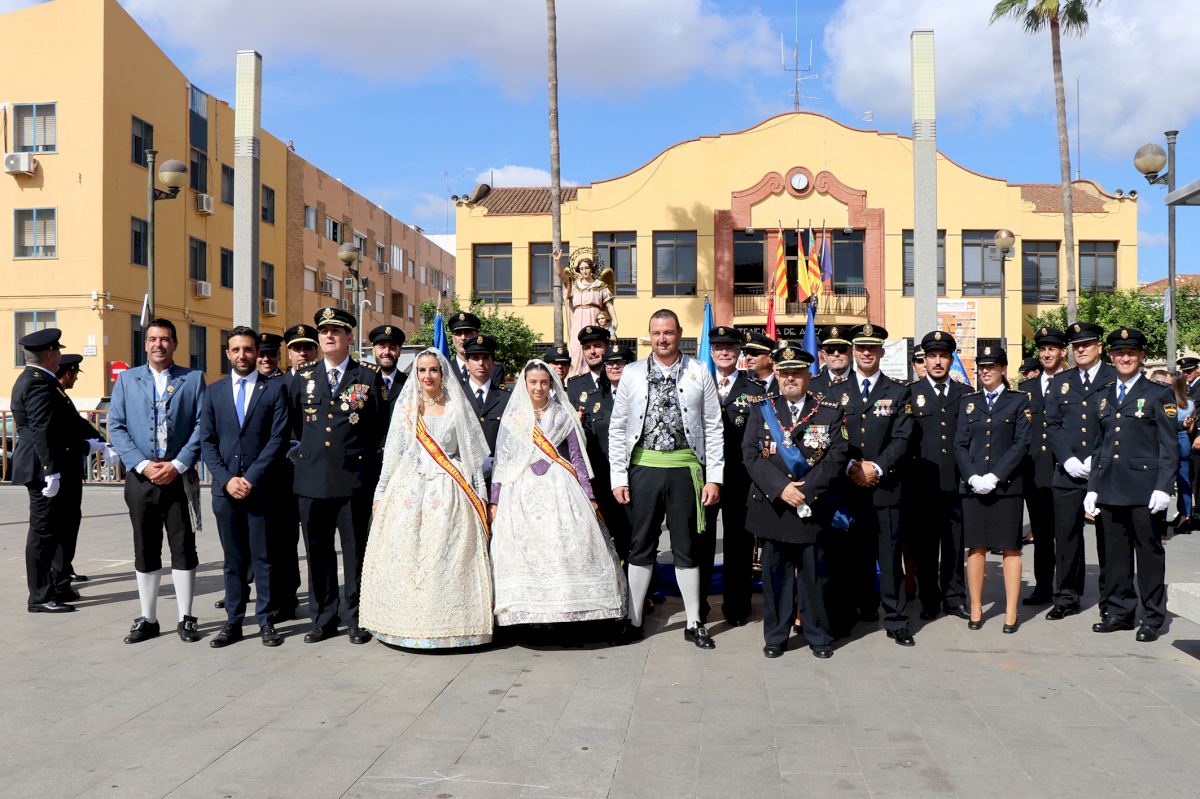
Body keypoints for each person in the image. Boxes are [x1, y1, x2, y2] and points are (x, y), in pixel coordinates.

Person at [359, 348, 494, 648]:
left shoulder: (457, 407)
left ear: (443, 373)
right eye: (422, 370)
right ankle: (407, 625)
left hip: (450, 490)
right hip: (409, 487)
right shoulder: (407, 407)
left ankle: (452, 627)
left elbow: (472, 459)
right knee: (409, 557)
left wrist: (481, 497)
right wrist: (380, 494)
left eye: (433, 370)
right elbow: (393, 456)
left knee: (445, 557)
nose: (427, 376)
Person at [608, 309, 723, 649]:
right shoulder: (631, 373)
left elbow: (714, 426)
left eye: (668, 332)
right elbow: (618, 427)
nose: (662, 339)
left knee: (687, 547)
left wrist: (714, 478)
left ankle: (694, 621)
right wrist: (618, 477)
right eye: (656, 333)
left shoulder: (699, 371)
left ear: (679, 334)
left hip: (686, 469)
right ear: (650, 336)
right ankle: (634, 620)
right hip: (643, 468)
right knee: (641, 545)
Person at [489, 361, 627, 626]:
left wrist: (589, 495)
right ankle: (528, 612)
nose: (538, 387)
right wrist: (494, 500)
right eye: (533, 382)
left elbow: (576, 458)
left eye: (544, 382)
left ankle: (567, 608)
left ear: (551, 384)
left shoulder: (563, 415)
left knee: (564, 546)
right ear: (524, 384)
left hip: (560, 486)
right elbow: (503, 461)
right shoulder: (514, 417)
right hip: (521, 489)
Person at [742, 340, 848, 659]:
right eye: (785, 372)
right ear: (776, 374)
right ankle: (776, 636)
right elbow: (750, 454)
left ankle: (818, 635)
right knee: (776, 577)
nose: (790, 378)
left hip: (812, 507)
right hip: (774, 507)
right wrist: (781, 489)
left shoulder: (829, 411)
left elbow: (836, 456)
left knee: (815, 576)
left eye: (797, 373)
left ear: (808, 376)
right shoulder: (762, 409)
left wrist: (805, 492)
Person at [289, 306, 387, 645]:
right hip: (312, 479)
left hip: (353, 480)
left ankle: (356, 617)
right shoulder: (303, 377)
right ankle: (323, 618)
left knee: (355, 551)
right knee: (317, 552)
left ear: (349, 336)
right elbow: (295, 424)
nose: (329, 335)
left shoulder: (368, 376)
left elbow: (379, 427)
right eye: (324, 330)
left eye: (336, 330)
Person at [108, 318, 208, 644]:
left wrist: (178, 464)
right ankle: (148, 617)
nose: (158, 345)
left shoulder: (192, 379)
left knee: (183, 546)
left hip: (179, 476)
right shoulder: (127, 380)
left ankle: (185, 616)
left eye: (164, 339)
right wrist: (142, 464)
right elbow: (116, 426)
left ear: (175, 344)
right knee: (145, 545)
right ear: (145, 343)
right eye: (152, 339)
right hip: (142, 477)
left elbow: (202, 425)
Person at [199, 327, 290, 647]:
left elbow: (278, 439)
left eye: (248, 350)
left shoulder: (274, 390)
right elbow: (207, 441)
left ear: (256, 353)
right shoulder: (214, 392)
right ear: (227, 353)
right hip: (226, 492)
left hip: (261, 489)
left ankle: (266, 621)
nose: (242, 355)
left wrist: (250, 478)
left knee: (263, 559)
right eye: (236, 350)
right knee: (233, 560)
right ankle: (234, 622)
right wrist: (227, 480)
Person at [1086, 328, 1177, 641]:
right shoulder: (1103, 395)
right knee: (1115, 556)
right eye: (1120, 353)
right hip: (1110, 488)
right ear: (1111, 356)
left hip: (1144, 490)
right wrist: (1093, 486)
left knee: (1148, 556)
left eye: (1131, 353)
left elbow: (1168, 446)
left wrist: (1164, 486)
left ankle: (1152, 617)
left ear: (1141, 357)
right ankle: (1120, 612)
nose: (1125, 358)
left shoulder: (1158, 394)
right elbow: (1099, 447)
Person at [11, 330, 112, 613]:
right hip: (42, 467)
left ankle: (56, 585)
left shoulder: (43, 381)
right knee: (43, 532)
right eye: (57, 351)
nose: (59, 355)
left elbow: (66, 422)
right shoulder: (37, 383)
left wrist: (96, 442)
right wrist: (50, 471)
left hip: (49, 464)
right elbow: (42, 430)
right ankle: (40, 596)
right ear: (50, 355)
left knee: (55, 529)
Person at [837, 323, 914, 645]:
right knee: (851, 555)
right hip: (848, 488)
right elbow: (830, 437)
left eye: (872, 348)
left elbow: (902, 438)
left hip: (886, 488)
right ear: (854, 351)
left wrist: (876, 467)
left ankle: (896, 618)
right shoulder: (836, 391)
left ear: (882, 351)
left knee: (889, 556)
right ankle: (854, 612)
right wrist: (852, 466)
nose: (867, 353)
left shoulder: (898, 391)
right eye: (861, 347)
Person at [956, 345, 1031, 633]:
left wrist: (996, 476)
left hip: (1007, 487)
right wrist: (973, 477)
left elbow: (1021, 443)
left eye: (992, 366)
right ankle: (976, 606)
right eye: (982, 367)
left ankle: (1011, 610)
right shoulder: (969, 402)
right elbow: (960, 444)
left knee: (1010, 548)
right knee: (976, 547)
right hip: (974, 487)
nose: (986, 371)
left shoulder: (1018, 400)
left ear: (1003, 369)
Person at [1044, 322, 1116, 622]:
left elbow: (1117, 426)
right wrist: (1068, 459)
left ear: (1100, 347)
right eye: (1077, 346)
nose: (1081, 349)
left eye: (1087, 344)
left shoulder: (1115, 377)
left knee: (1109, 538)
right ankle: (1066, 597)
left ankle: (1110, 600)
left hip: (1106, 472)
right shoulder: (1062, 382)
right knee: (1066, 538)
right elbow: (1053, 424)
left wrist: (1096, 460)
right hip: (1068, 473)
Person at [904, 331, 971, 620]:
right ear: (925, 359)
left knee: (954, 544)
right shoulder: (910, 393)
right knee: (925, 546)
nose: (938, 361)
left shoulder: (965, 394)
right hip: (922, 484)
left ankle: (954, 598)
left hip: (956, 482)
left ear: (951, 359)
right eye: (932, 356)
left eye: (943, 356)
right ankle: (929, 599)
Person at [706, 326, 766, 627]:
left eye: (730, 347)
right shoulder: (699, 383)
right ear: (711, 351)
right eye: (718, 347)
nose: (724, 352)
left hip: (741, 477)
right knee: (702, 540)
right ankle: (699, 606)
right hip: (705, 476)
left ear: (739, 351)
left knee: (739, 543)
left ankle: (738, 606)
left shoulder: (755, 390)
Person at [1018, 327, 1066, 606]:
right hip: (1035, 472)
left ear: (1062, 352)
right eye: (1043, 349)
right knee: (1042, 534)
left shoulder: (1073, 383)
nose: (1047, 354)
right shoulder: (1026, 389)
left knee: (1068, 535)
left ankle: (1068, 590)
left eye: (1052, 349)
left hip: (1066, 471)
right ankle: (1044, 586)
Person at [54, 352, 105, 591]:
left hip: (71, 470)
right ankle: (60, 572)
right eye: (75, 374)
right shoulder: (54, 394)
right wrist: (92, 444)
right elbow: (66, 431)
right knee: (63, 523)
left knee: (71, 520)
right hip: (63, 470)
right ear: (68, 373)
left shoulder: (62, 395)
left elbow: (79, 424)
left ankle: (65, 566)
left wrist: (101, 440)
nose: (76, 378)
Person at [583, 343, 636, 561]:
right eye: (609, 364)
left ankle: (641, 579)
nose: (614, 367)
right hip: (604, 478)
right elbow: (588, 440)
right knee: (612, 532)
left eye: (619, 363)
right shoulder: (594, 399)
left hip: (634, 474)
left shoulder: (640, 396)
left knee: (636, 532)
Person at [562, 255, 617, 376]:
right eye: (581, 269)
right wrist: (557, 261)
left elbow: (609, 304)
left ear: (592, 268)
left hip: (594, 316)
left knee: (595, 345)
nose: (584, 271)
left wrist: (615, 320)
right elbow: (561, 275)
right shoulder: (575, 285)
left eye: (587, 268)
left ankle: (595, 375)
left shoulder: (600, 285)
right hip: (578, 318)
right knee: (576, 347)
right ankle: (576, 375)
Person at [463, 334, 511, 461]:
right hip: (465, 469)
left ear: (492, 363)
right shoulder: (457, 396)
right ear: (467, 363)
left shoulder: (507, 399)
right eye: (475, 358)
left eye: (485, 358)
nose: (481, 363)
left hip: (499, 468)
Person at [1176, 356, 1200, 533]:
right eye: (1184, 372)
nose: (1187, 374)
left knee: (1197, 478)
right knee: (1188, 477)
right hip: (1187, 437)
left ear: (1198, 370)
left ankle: (1196, 514)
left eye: (1190, 371)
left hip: (1195, 437)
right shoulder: (1187, 389)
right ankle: (1185, 514)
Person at [449, 311, 503, 387]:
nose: (463, 338)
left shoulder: (494, 369)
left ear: (477, 335)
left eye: (468, 332)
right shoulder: (445, 368)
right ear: (452, 338)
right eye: (458, 333)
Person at [566, 325, 611, 408]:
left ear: (607, 348)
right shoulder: (575, 385)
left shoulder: (618, 381)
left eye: (597, 346)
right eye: (587, 348)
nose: (592, 351)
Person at [809, 325, 855, 397]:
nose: (836, 354)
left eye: (842, 349)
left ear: (851, 353)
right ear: (824, 355)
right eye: (830, 350)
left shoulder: (862, 383)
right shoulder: (811, 385)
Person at [369, 324, 407, 407]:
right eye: (382, 347)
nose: (387, 352)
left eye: (392, 347)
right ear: (373, 351)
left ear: (399, 352)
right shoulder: (363, 381)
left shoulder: (409, 382)